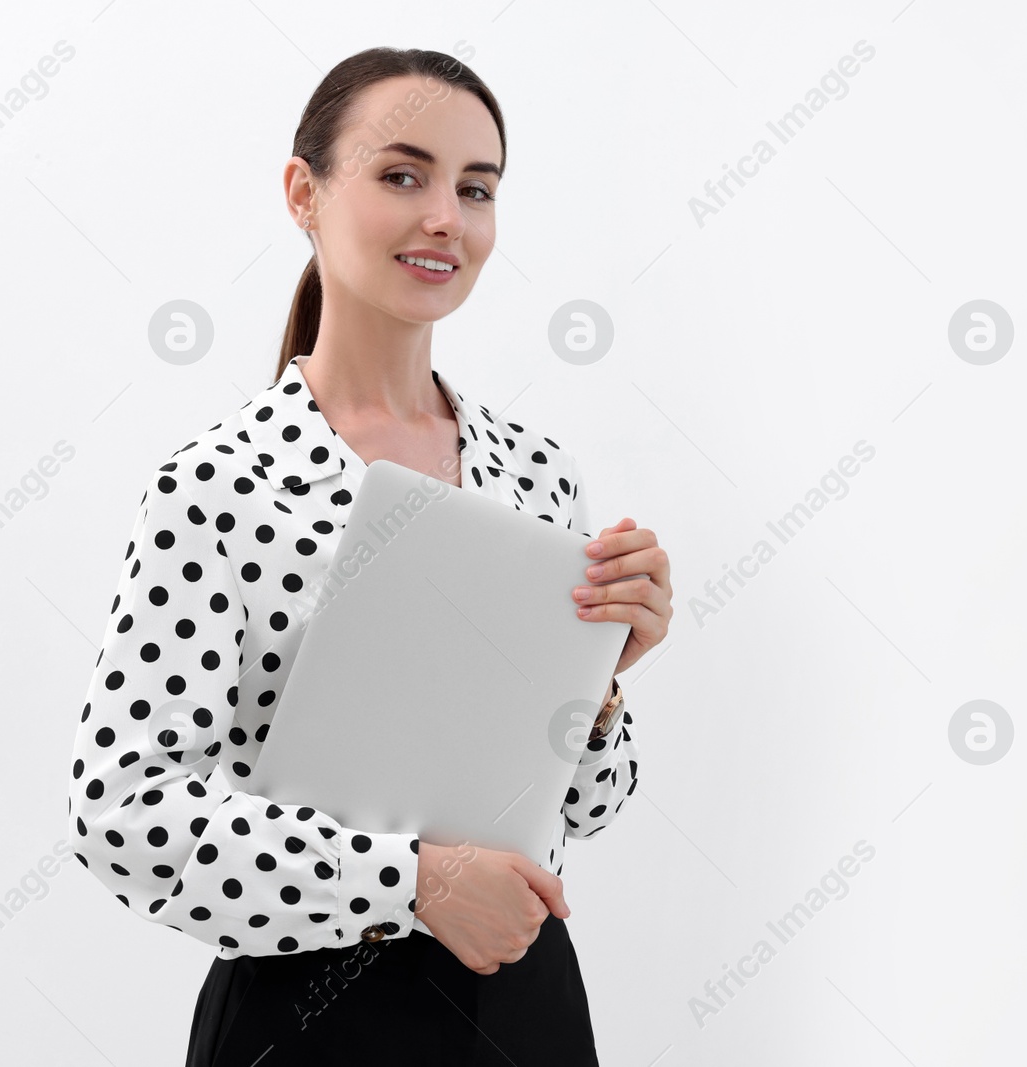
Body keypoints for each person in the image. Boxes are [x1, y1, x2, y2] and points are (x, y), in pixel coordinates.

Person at [65, 45, 673, 1066]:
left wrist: (601, 685)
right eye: (403, 175)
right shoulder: (220, 483)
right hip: (307, 1014)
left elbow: (586, 805)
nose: (446, 215)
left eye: (475, 188)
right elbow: (121, 809)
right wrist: (414, 880)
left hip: (525, 1002)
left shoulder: (534, 476)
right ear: (304, 192)